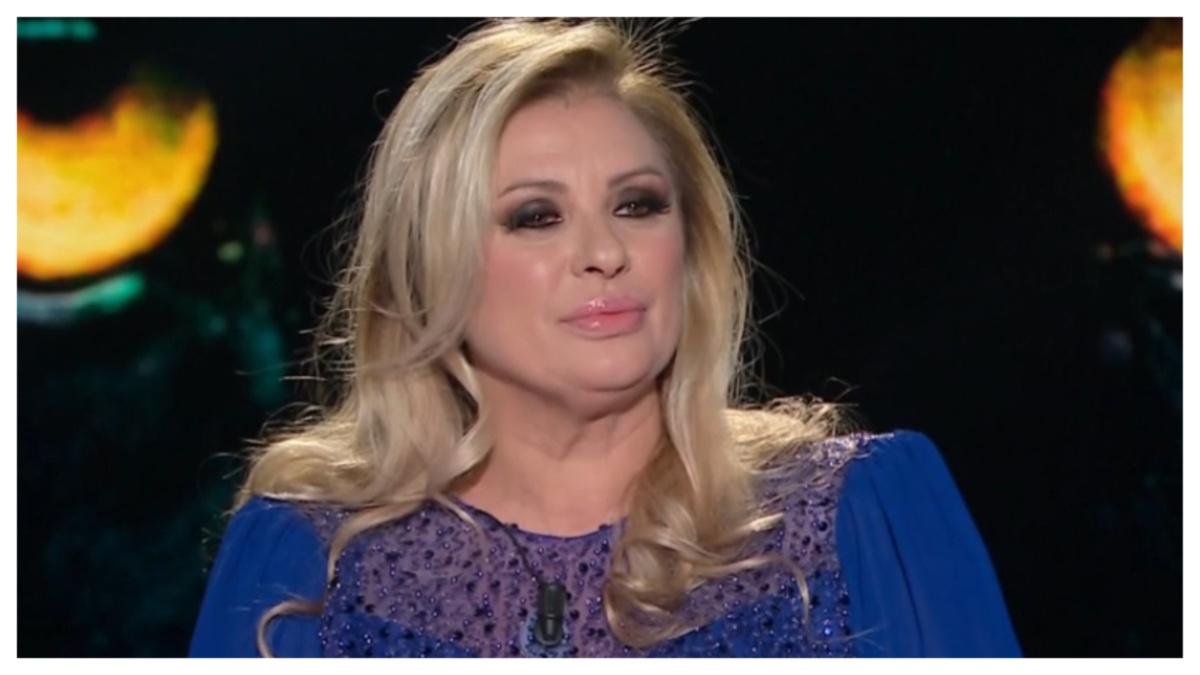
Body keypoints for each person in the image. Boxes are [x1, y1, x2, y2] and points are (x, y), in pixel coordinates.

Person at [188, 18, 1021, 658]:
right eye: (536, 216)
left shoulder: (859, 520)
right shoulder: (310, 565)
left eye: (637, 205)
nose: (605, 252)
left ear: (690, 247)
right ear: (427, 269)